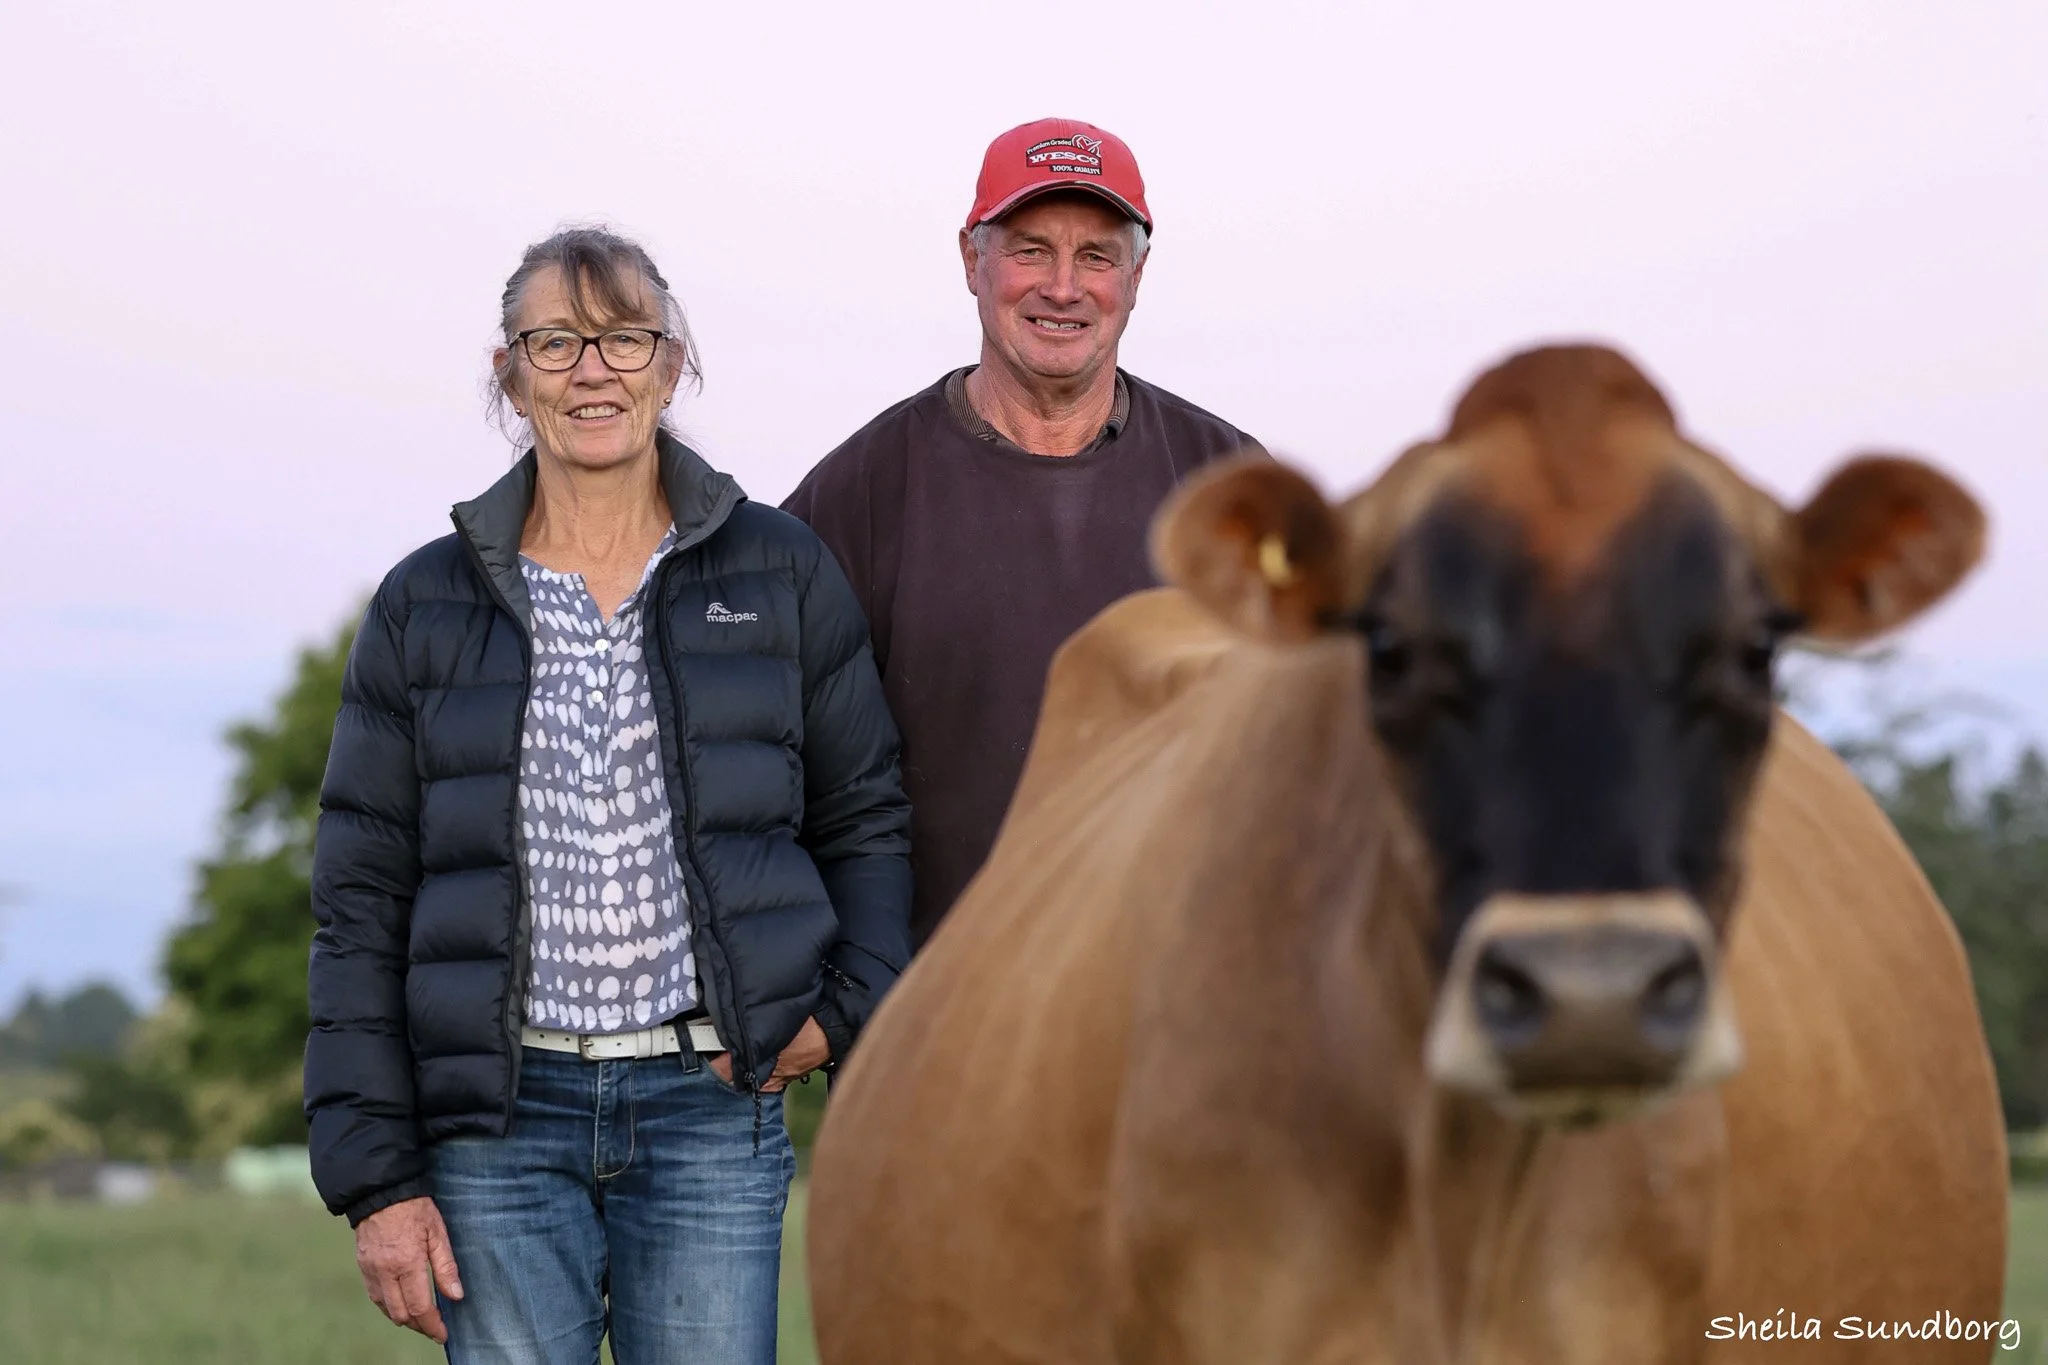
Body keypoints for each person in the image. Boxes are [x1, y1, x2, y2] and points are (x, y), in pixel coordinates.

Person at [304, 225, 911, 1364]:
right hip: (493, 1121)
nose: (593, 370)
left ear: (670, 366)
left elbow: (866, 819)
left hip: (711, 1105)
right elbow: (360, 903)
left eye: (624, 338)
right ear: (510, 376)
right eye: (556, 342)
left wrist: (837, 1017)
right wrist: (377, 1179)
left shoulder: (780, 571)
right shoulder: (422, 605)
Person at [782, 117, 1266, 950]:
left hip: (1177, 995)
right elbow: (763, 763)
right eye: (1031, 250)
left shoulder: (1226, 483)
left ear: (1138, 276)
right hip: (936, 1001)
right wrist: (821, 980)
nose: (1063, 287)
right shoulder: (859, 493)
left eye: (1097, 256)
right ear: (971, 260)